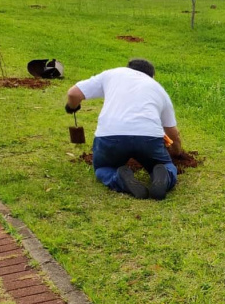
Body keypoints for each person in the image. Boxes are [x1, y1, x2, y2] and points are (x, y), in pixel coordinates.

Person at [64, 59, 181, 201]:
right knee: (165, 165)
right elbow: (172, 131)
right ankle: (165, 174)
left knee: (103, 168)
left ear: (128, 68)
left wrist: (72, 107)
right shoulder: (158, 88)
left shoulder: (112, 74)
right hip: (148, 138)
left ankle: (119, 178)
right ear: (152, 76)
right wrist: (177, 151)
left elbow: (73, 94)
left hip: (111, 136)